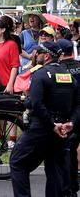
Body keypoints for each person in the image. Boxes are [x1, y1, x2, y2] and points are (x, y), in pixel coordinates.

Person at [10, 41, 80, 197]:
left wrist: (51, 124)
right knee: (54, 166)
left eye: (38, 52)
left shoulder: (40, 74)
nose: (35, 55)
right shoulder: (69, 76)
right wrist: (71, 123)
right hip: (62, 129)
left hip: (41, 128)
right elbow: (78, 104)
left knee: (17, 162)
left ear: (46, 55)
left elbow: (36, 104)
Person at [58, 39, 80, 195]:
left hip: (65, 116)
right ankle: (73, 184)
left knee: (64, 153)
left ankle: (67, 188)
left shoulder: (59, 70)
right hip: (78, 115)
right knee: (73, 150)